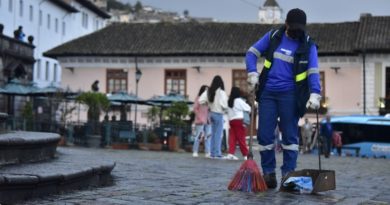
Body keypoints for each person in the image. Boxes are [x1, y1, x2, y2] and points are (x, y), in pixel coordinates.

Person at [246, 8, 321, 188]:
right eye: (292, 27)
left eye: (299, 29)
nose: (296, 32)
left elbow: (313, 71)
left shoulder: (308, 45)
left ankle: (288, 174)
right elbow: (252, 53)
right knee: (264, 135)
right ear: (286, 24)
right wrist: (252, 73)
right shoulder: (273, 37)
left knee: (289, 137)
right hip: (268, 94)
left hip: (291, 95)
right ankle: (268, 172)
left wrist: (315, 93)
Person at [199, 75, 228, 159]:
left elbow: (201, 100)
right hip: (219, 114)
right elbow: (225, 105)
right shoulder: (221, 92)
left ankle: (212, 153)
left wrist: (208, 104)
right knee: (218, 135)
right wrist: (224, 109)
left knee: (213, 134)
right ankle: (217, 153)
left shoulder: (209, 91)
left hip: (211, 114)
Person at [226, 87, 251, 160]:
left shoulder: (229, 101)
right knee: (241, 138)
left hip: (231, 121)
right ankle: (246, 155)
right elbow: (248, 108)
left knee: (232, 138)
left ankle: (230, 153)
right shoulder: (239, 100)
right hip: (239, 120)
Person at [192, 85, 212, 158]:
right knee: (199, 136)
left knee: (208, 136)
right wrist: (199, 117)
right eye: (206, 90)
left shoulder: (209, 99)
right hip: (200, 120)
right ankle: (195, 151)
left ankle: (207, 152)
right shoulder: (199, 98)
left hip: (208, 120)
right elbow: (195, 108)